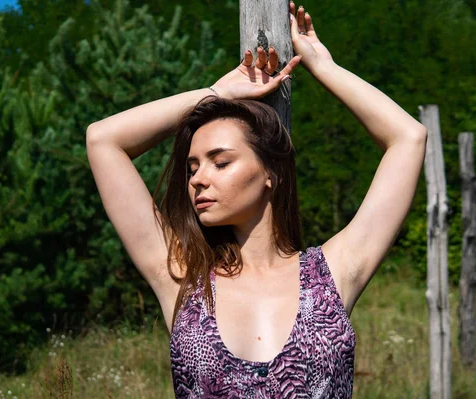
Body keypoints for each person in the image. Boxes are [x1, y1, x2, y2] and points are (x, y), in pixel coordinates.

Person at [86, 1, 427, 397]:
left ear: (270, 173)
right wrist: (217, 93)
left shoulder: (331, 276)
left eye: (220, 162)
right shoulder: (182, 279)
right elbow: (103, 140)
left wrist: (320, 65)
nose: (198, 179)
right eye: (193, 167)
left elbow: (408, 137)